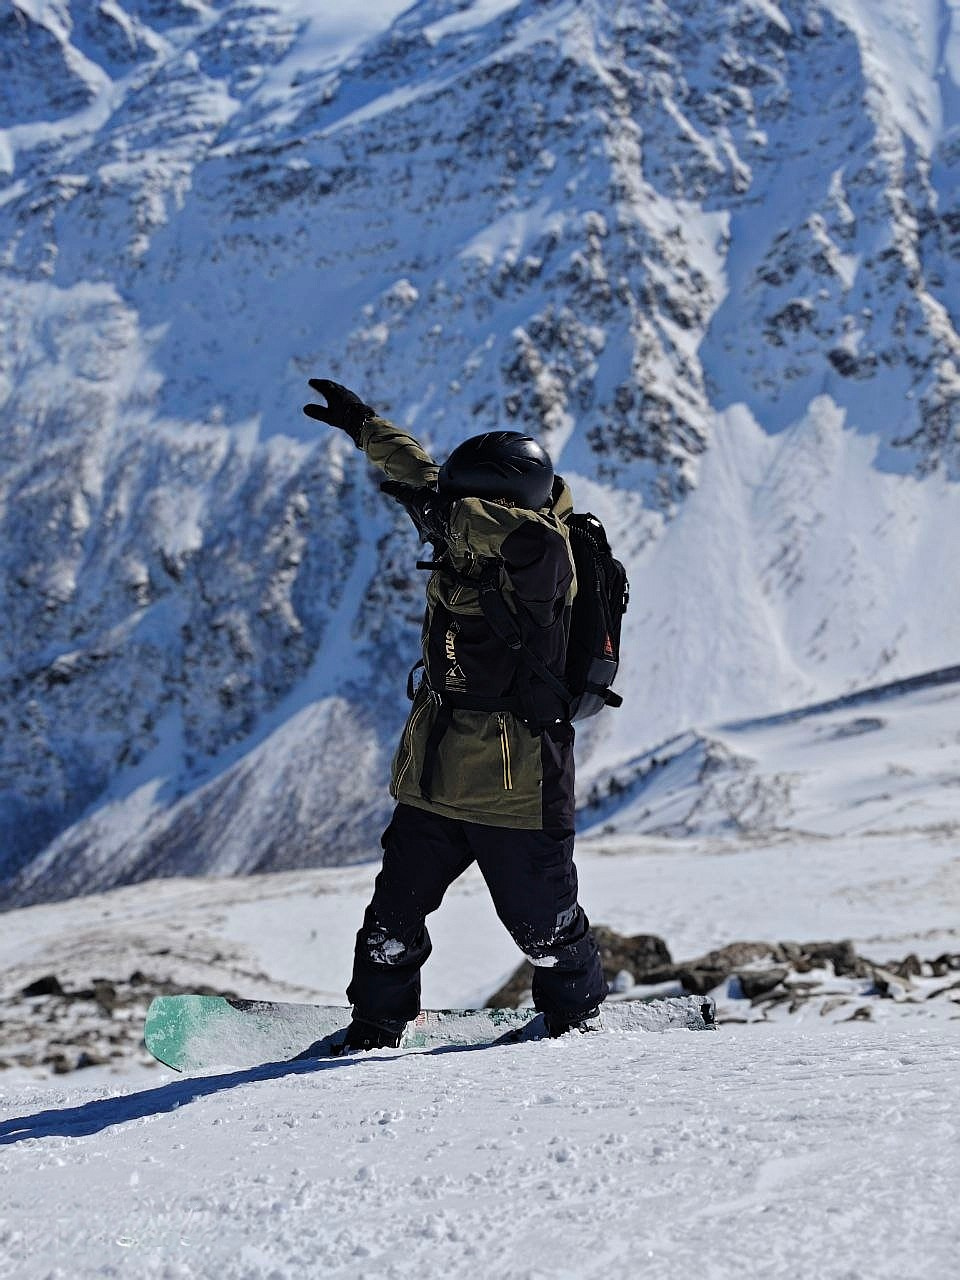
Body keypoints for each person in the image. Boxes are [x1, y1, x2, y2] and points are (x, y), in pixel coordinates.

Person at [303, 378, 607, 1050]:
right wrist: (368, 429)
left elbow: (521, 539)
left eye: (468, 510)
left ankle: (578, 1012)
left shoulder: (545, 557)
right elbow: (429, 480)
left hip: (518, 780)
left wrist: (445, 510)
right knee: (390, 921)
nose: (446, 520)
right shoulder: (472, 529)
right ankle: (377, 1024)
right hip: (437, 770)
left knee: (545, 930)